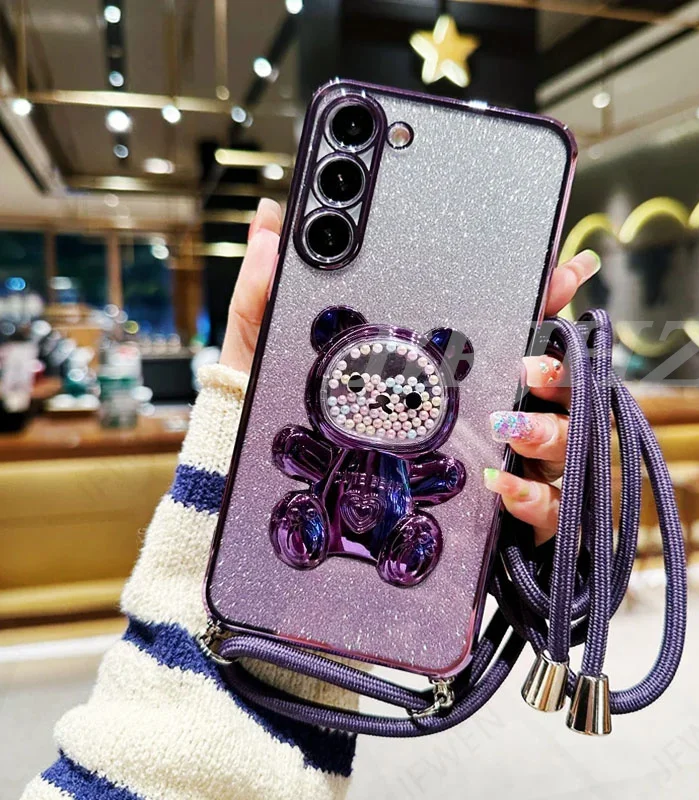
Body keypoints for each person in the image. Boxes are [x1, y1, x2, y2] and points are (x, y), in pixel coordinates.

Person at [21, 200, 601, 800]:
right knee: (309, 514)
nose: (382, 403)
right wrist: (249, 434)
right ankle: (311, 528)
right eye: (360, 385)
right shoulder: (318, 411)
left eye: (406, 399)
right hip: (294, 572)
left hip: (374, 548)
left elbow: (444, 477)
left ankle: (398, 544)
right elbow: (298, 452)